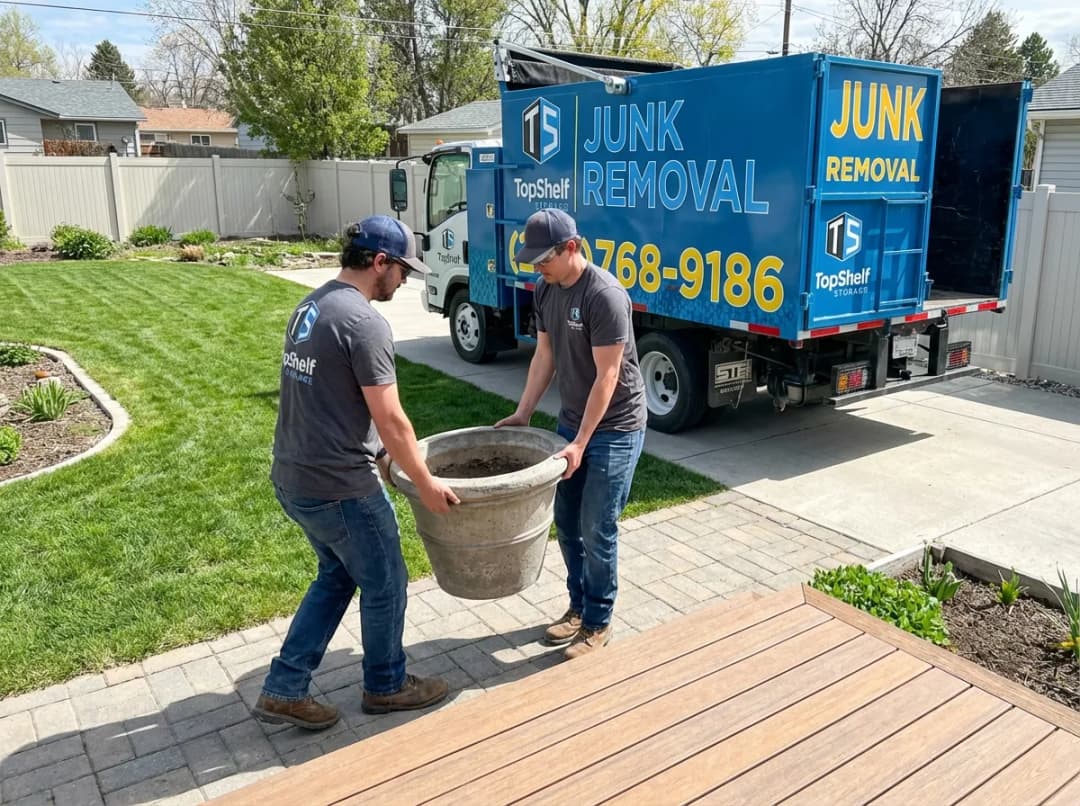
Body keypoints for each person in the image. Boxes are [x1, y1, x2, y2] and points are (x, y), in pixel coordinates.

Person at [253, 215, 460, 730]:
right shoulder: (364, 323)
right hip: (338, 487)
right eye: (402, 270)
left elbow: (333, 400)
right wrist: (426, 482)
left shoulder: (314, 304)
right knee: (386, 581)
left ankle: (285, 686)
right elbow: (392, 418)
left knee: (338, 574)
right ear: (380, 262)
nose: (406, 281)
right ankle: (386, 685)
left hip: (293, 477)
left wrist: (381, 458)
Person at [496, 208, 647, 660]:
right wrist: (523, 412)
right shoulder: (546, 290)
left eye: (544, 258)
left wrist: (581, 442)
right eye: (533, 260)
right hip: (572, 423)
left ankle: (599, 621)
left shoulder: (604, 296)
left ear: (571, 248)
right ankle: (578, 608)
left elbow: (608, 376)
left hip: (615, 427)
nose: (536, 266)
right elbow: (545, 356)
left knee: (597, 527)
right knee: (566, 523)